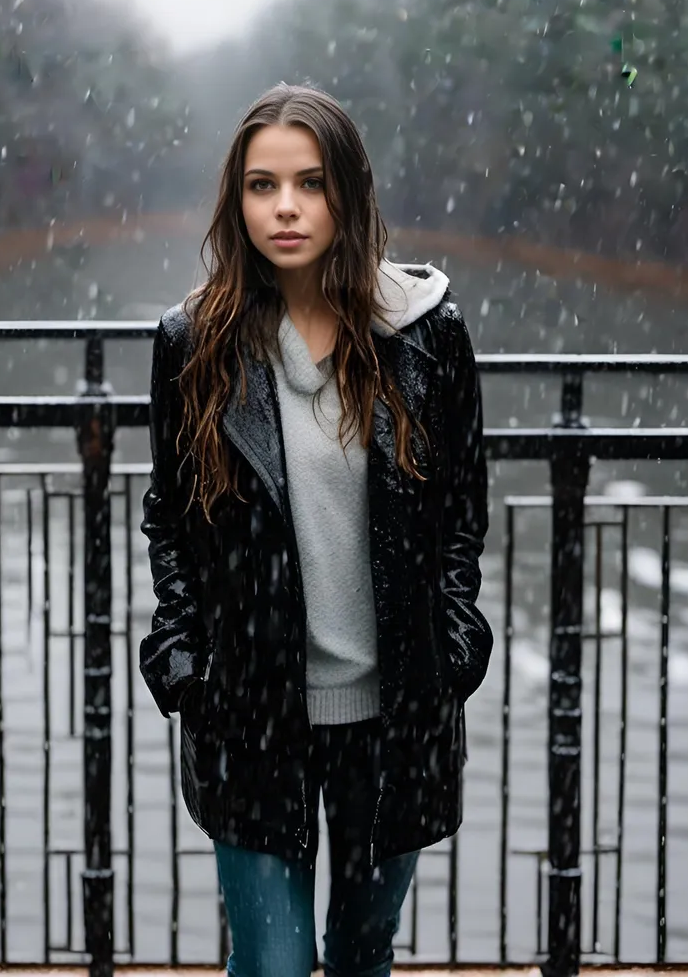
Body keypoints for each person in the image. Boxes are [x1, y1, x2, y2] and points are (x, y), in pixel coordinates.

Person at [140, 83, 492, 977]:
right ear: (237, 199)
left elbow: (460, 512)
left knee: (361, 959)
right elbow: (171, 517)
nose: (286, 207)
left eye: (310, 182)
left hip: (396, 712)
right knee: (274, 965)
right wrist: (183, 664)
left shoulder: (426, 333)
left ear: (350, 193)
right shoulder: (194, 343)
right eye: (263, 185)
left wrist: (454, 647)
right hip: (252, 713)